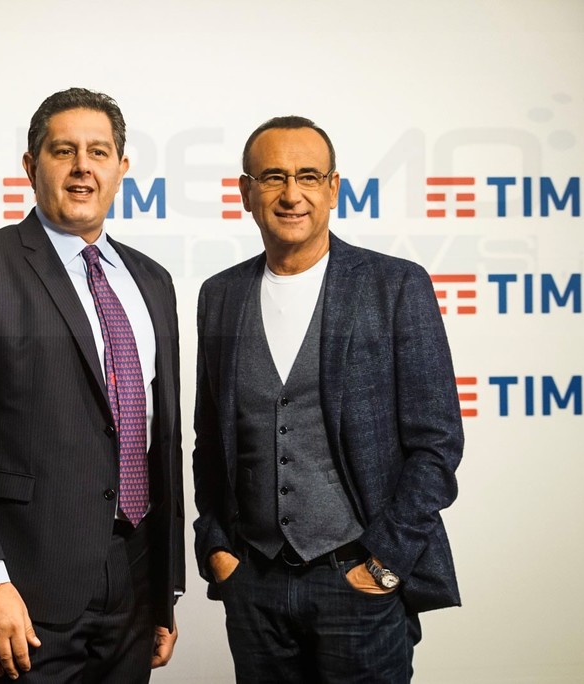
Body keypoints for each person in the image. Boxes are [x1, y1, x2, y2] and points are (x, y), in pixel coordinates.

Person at [0, 87, 183, 683]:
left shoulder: (153, 281)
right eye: (64, 151)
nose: (83, 166)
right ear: (31, 166)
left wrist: (165, 587)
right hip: (21, 584)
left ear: (121, 167)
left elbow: (159, 440)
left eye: (99, 152)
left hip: (135, 580)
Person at [192, 116, 464, 683]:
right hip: (254, 586)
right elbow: (211, 440)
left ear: (333, 188)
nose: (291, 194)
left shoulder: (395, 285)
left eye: (308, 177)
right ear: (246, 192)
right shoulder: (220, 295)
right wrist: (217, 549)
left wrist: (383, 565)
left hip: (358, 583)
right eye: (273, 177)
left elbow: (437, 446)